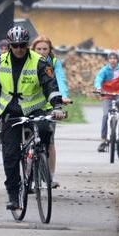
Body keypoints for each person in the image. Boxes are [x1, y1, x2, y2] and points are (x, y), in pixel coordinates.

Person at [0, 26, 65, 210]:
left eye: (22, 45)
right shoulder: (0, 62)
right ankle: (14, 196)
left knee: (46, 130)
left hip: (33, 109)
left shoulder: (40, 62)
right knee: (10, 155)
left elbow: (50, 86)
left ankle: (40, 163)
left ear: (27, 44)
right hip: (10, 112)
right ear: (10, 45)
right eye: (15, 45)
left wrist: (57, 106)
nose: (19, 49)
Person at [32, 36, 72, 187]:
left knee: (49, 142)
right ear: (33, 49)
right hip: (31, 106)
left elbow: (60, 80)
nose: (42, 52)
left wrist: (63, 96)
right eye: (39, 49)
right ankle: (27, 174)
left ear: (50, 50)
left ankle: (50, 177)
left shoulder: (54, 63)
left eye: (45, 49)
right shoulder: (29, 62)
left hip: (49, 105)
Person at [94, 50, 119, 152]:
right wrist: (98, 88)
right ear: (108, 59)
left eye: (115, 58)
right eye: (110, 58)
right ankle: (103, 140)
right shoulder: (104, 70)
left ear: (118, 59)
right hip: (107, 95)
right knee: (105, 115)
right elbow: (98, 79)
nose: (112, 60)